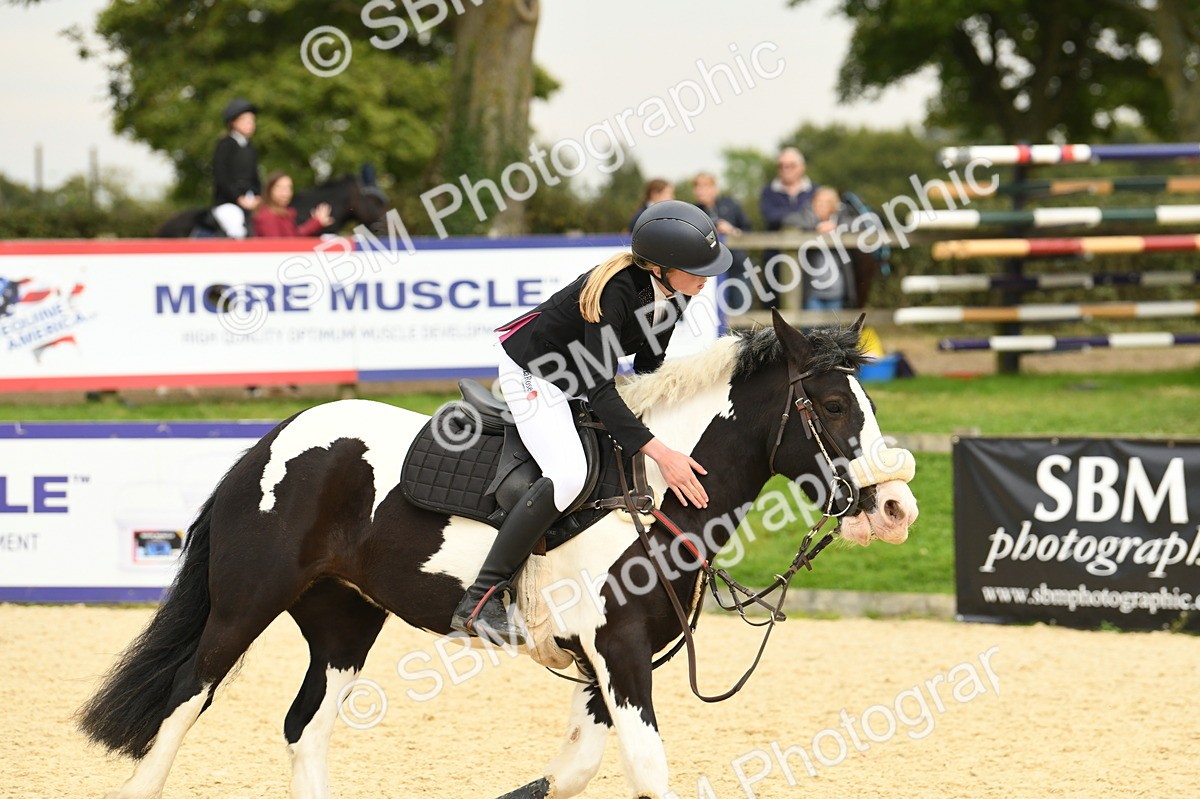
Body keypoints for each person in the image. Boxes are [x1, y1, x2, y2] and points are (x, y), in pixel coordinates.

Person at [451, 200, 732, 645]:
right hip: (533, 372)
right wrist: (662, 453)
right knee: (568, 475)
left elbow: (648, 367)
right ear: (660, 268)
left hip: (577, 379)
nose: (706, 277)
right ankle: (481, 599)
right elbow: (602, 390)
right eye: (697, 268)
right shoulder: (614, 291)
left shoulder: (676, 296)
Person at [758, 148, 817, 308]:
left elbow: (819, 216)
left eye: (791, 165)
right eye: (781, 165)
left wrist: (789, 217)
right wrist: (803, 217)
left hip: (809, 259)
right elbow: (771, 216)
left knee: (808, 304)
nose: (786, 169)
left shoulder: (815, 190)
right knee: (773, 306)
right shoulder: (768, 192)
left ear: (802, 167)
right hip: (774, 259)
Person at [692, 171, 753, 311]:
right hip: (710, 271)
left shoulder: (731, 205)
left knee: (742, 307)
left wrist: (731, 230)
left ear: (715, 188)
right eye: (697, 186)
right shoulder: (694, 210)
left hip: (737, 265)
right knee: (713, 310)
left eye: (705, 186)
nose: (700, 190)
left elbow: (748, 230)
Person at [799, 186, 857, 310]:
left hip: (837, 292)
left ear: (834, 205)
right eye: (818, 201)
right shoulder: (805, 218)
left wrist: (837, 227)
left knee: (835, 323)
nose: (821, 205)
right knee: (811, 322)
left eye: (826, 202)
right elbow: (789, 220)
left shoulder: (843, 218)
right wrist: (815, 228)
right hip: (812, 293)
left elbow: (860, 225)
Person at [211, 98, 261, 239]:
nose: (251, 124)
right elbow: (221, 176)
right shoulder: (224, 145)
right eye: (246, 120)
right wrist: (238, 198)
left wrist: (258, 195)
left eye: (252, 121)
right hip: (228, 202)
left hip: (250, 199)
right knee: (236, 227)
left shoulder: (250, 147)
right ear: (233, 122)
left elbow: (255, 176)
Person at [253, 172, 334, 237]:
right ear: (270, 190)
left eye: (289, 188)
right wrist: (316, 223)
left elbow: (294, 236)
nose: (286, 193)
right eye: (280, 188)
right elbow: (278, 245)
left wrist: (316, 222)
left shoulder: (285, 214)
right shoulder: (267, 216)